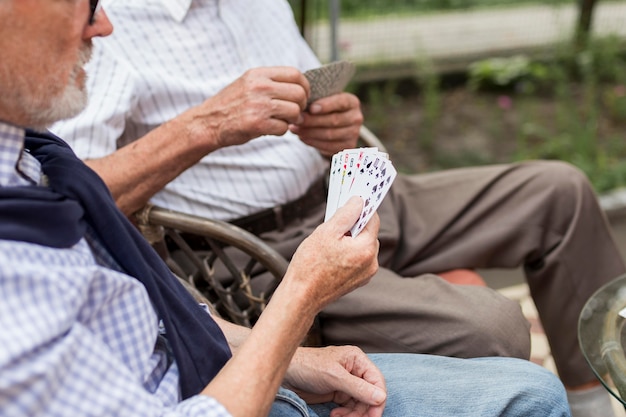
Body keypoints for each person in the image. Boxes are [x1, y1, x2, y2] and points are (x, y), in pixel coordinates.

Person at [0, 1, 576, 416]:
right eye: (85, 5)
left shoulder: (26, 157)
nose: (100, 21)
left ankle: (599, 396)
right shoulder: (79, 65)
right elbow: (95, 197)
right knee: (500, 337)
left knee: (560, 189)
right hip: (255, 248)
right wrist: (208, 126)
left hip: (340, 195)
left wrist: (336, 127)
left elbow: (148, 311)